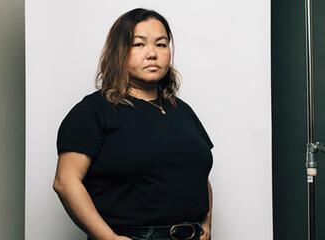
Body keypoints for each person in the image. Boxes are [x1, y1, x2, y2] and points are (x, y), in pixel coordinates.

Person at [53, 8, 213, 240]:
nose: (152, 54)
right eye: (139, 44)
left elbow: (199, 174)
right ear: (119, 51)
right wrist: (109, 238)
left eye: (161, 44)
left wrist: (206, 225)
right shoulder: (93, 111)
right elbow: (65, 182)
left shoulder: (183, 110)